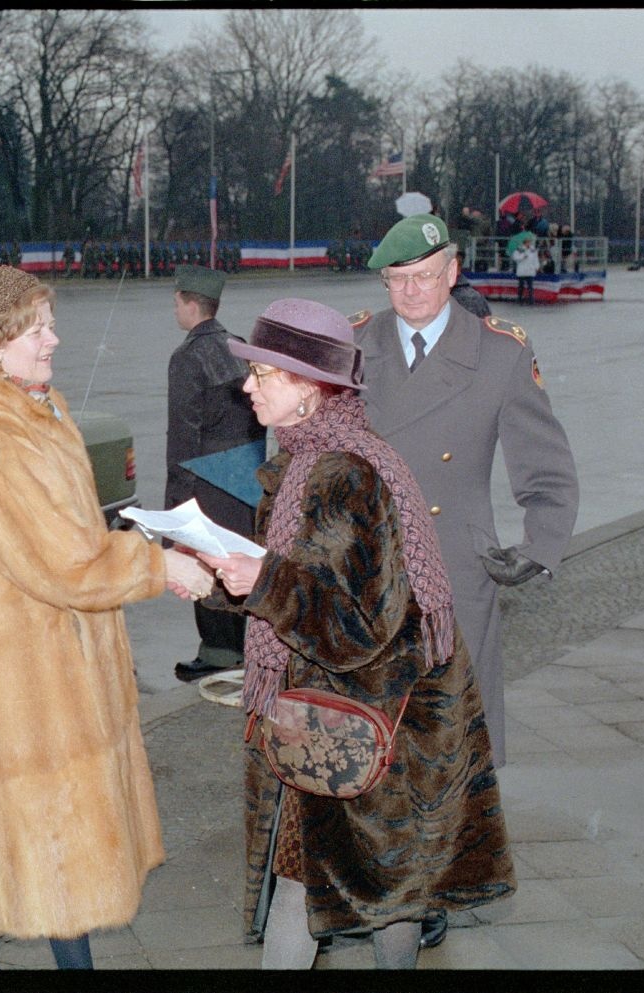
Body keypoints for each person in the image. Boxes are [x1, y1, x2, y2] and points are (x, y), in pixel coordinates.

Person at [186, 298, 514, 970]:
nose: (248, 385)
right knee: (379, 890)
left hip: (373, 723)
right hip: (364, 719)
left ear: (310, 387)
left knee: (363, 890)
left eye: (264, 375)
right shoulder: (316, 457)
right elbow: (306, 581)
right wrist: (229, 575)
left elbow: (359, 626)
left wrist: (266, 579)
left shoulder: (340, 473)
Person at [0, 265, 210, 970]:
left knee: (25, 839)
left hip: (37, 671)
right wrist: (157, 565)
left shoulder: (32, 407)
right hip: (21, 685)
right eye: (37, 327)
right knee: (54, 841)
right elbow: (62, 560)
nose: (54, 338)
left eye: (50, 322)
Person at [358, 212, 578, 775]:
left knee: (447, 745)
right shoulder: (353, 344)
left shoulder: (499, 354)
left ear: (452, 272)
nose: (410, 291)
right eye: (396, 279)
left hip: (454, 564)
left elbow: (547, 467)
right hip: (361, 567)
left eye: (425, 276)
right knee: (364, 741)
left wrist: (538, 545)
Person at [166, 265, 267, 683]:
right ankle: (242, 647)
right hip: (245, 477)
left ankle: (218, 654)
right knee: (237, 563)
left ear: (190, 304)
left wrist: (175, 513)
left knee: (204, 566)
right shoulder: (239, 346)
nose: (175, 310)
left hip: (205, 480)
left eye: (176, 302)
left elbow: (183, 438)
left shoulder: (187, 358)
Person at [513, 235, 539, 305]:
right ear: (524, 243)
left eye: (529, 242)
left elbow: (535, 259)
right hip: (522, 271)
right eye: (527, 242)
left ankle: (531, 300)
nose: (529, 244)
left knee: (530, 286)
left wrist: (537, 267)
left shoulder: (533, 250)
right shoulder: (519, 249)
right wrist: (522, 257)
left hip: (530, 271)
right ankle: (519, 299)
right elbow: (515, 257)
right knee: (521, 286)